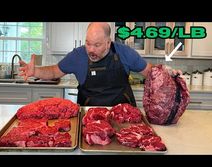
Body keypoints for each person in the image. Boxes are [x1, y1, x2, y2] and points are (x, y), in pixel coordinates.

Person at [19, 22, 179, 106]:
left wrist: (167, 73)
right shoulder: (78, 55)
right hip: (90, 118)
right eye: (88, 43)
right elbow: (55, 71)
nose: (90, 49)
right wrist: (36, 72)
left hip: (123, 117)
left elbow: (150, 72)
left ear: (108, 43)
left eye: (97, 45)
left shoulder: (124, 53)